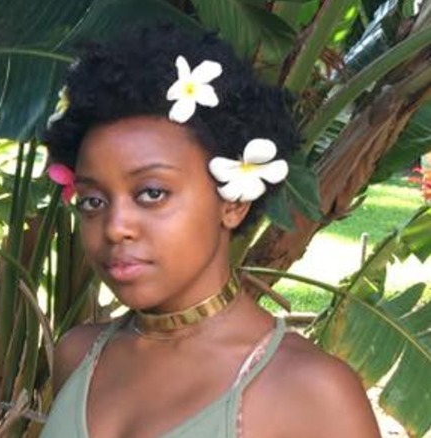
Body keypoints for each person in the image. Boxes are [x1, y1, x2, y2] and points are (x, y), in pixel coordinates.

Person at [39, 23, 381, 438]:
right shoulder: (78, 357)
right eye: (93, 201)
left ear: (233, 202)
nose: (115, 227)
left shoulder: (309, 393)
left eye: (151, 193)